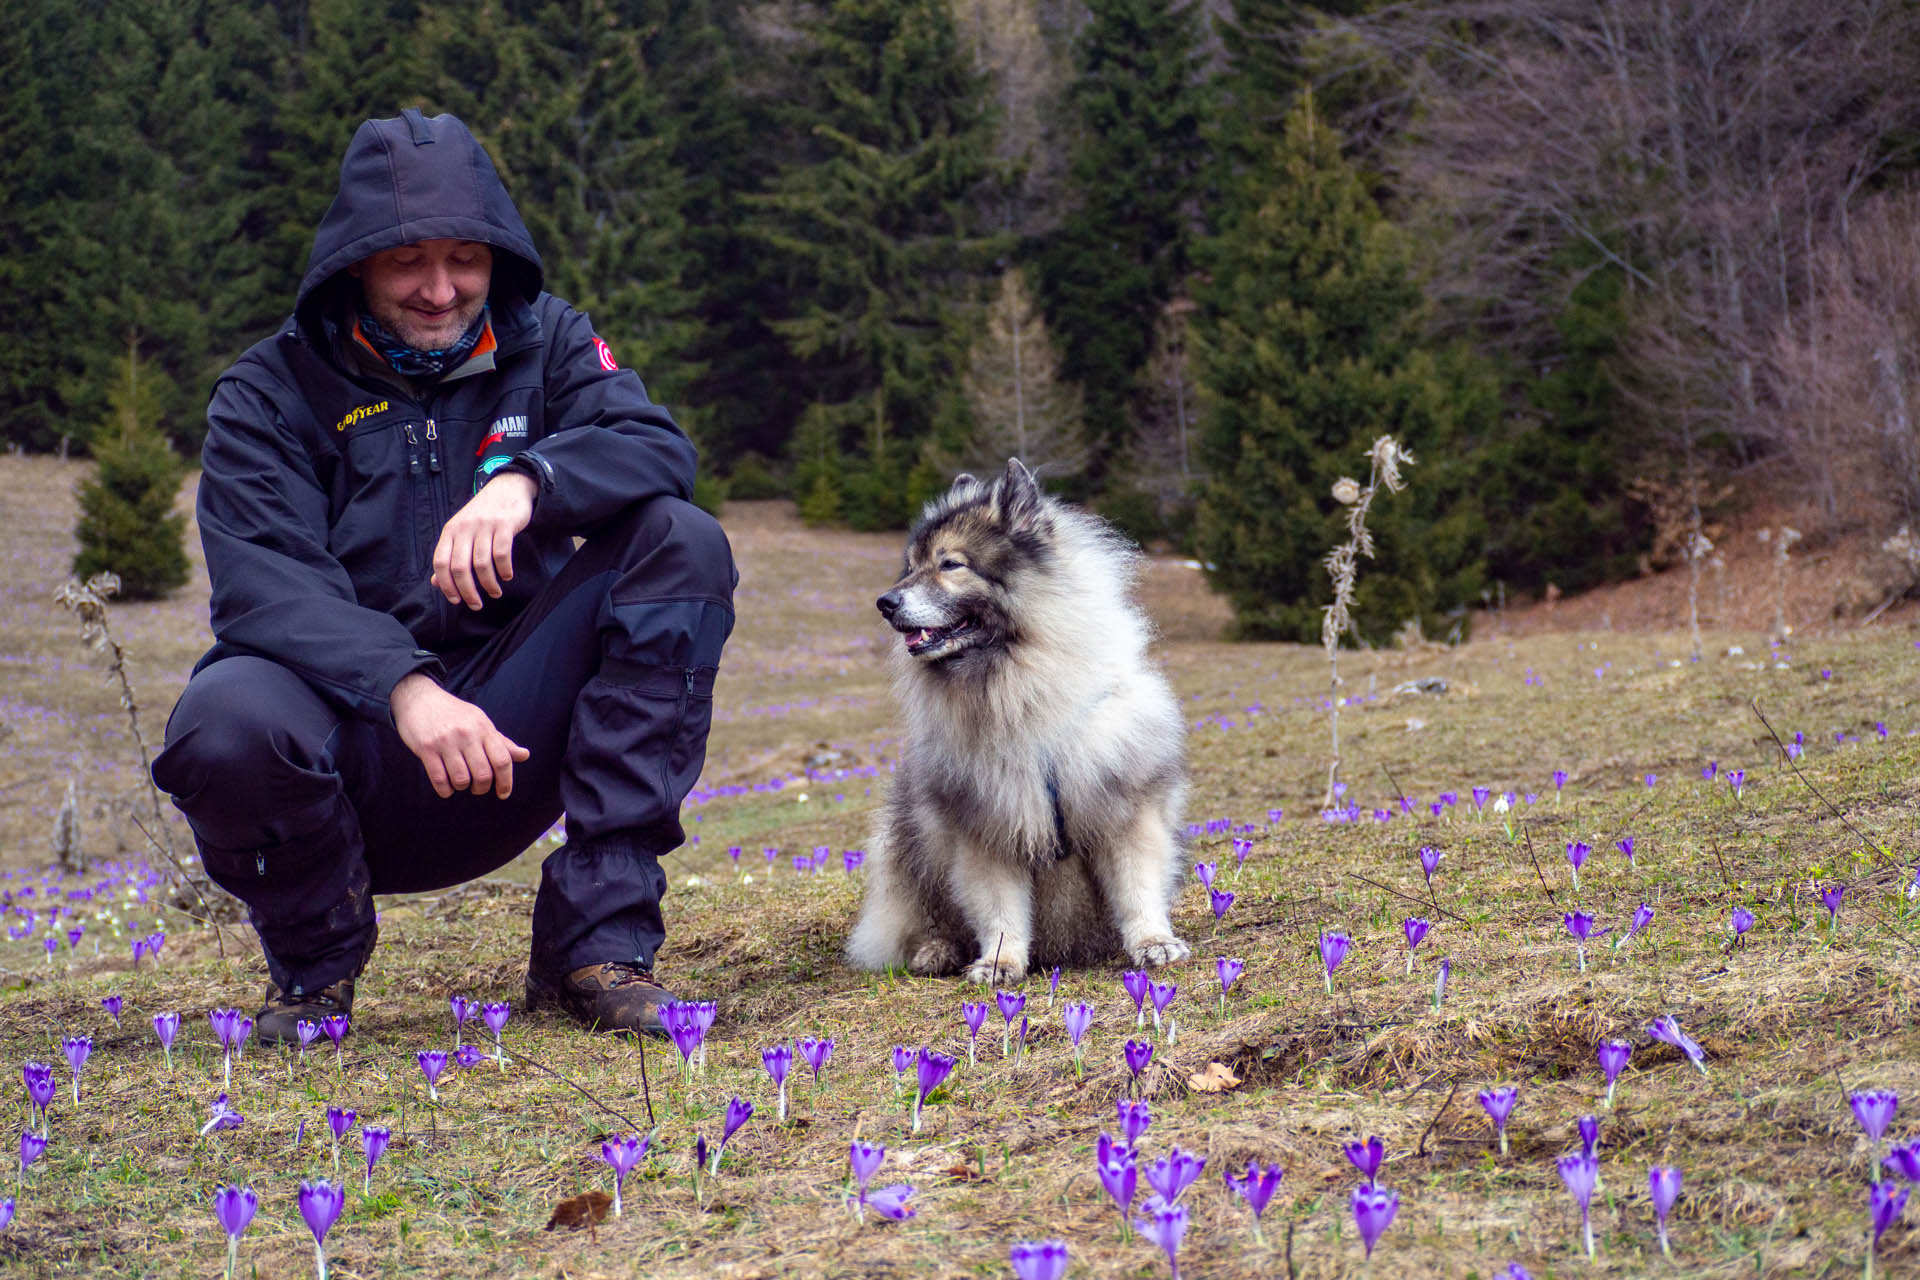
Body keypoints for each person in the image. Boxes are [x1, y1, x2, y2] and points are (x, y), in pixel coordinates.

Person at [152, 109, 735, 1041]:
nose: (439, 289)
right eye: (406, 263)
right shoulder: (268, 393)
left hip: (514, 739)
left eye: (465, 258)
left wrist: (530, 481)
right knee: (223, 721)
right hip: (353, 759)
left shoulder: (548, 341)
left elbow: (656, 447)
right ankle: (313, 973)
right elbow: (267, 584)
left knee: (681, 541)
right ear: (353, 265)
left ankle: (598, 945)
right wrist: (403, 687)